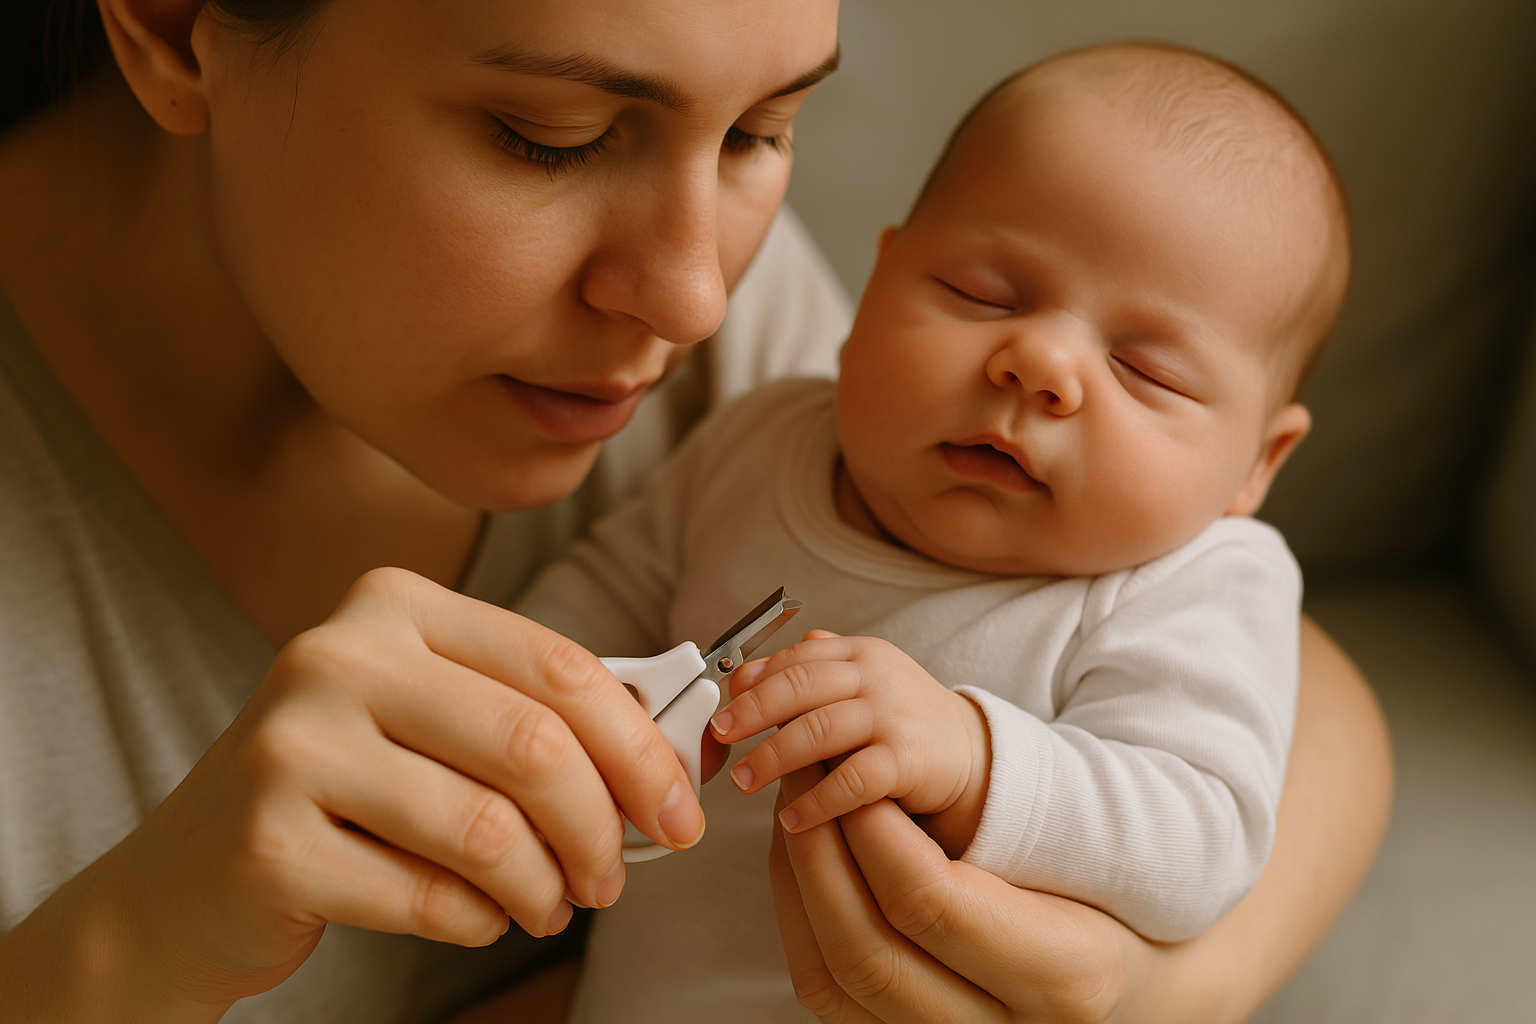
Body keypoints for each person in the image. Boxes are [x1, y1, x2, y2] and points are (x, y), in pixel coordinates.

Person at [0, 1, 1390, 1022]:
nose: (695, 298)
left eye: (763, 130)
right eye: (557, 137)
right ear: (182, 25)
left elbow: (1258, 669)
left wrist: (1165, 985)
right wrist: (117, 954)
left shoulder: (735, 351)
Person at [511, 43, 1349, 1020]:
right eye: (982, 295)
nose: (1039, 365)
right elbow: (609, 587)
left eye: (1147, 370)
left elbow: (1203, 832)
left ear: (1259, 461)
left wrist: (976, 755)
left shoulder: (1193, 582)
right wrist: (526, 695)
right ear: (879, 280)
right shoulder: (764, 437)